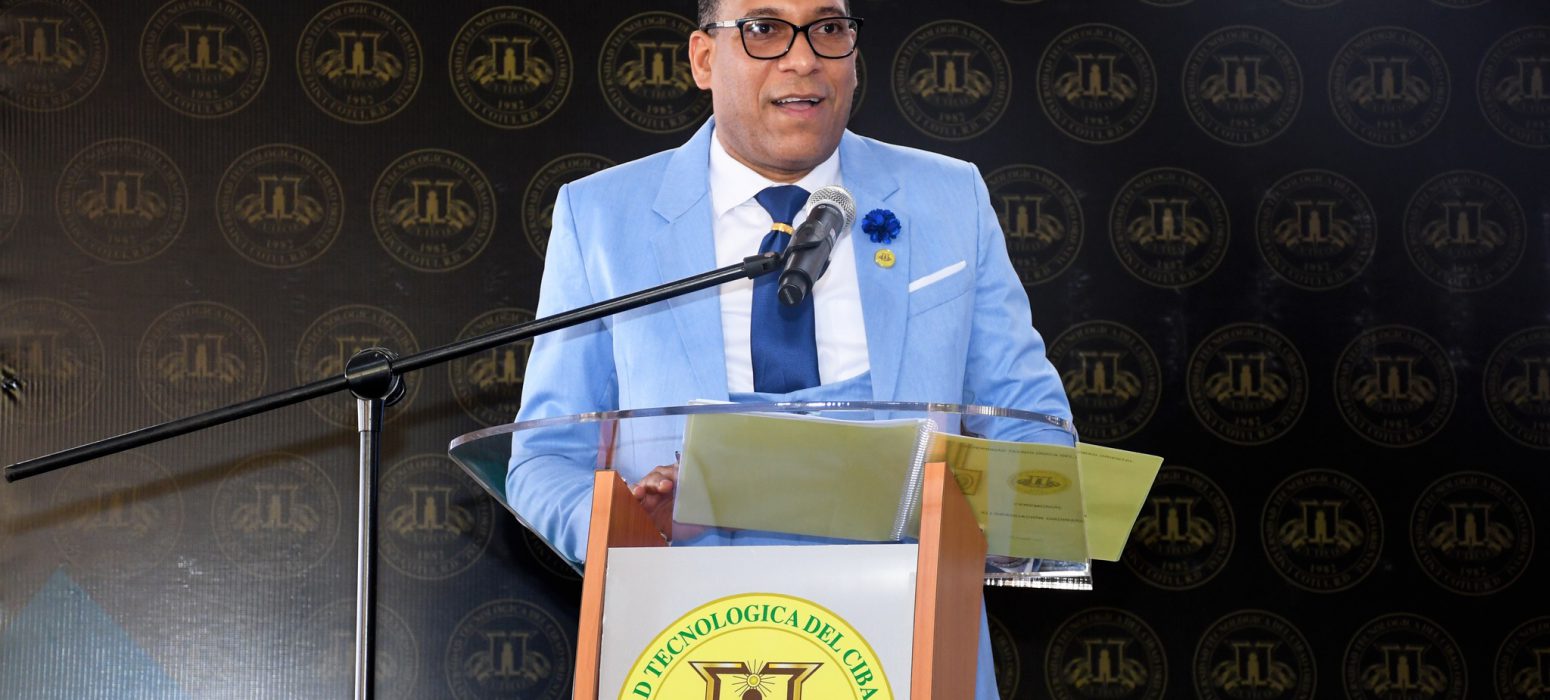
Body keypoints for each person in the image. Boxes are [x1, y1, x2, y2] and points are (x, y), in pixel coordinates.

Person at [506, 1, 1073, 697]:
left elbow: (1032, 426)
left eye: (828, 29)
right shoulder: (600, 216)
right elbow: (543, 458)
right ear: (704, 58)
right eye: (765, 30)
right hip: (687, 646)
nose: (803, 59)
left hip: (914, 641)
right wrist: (624, 524)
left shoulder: (949, 198)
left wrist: (994, 511)